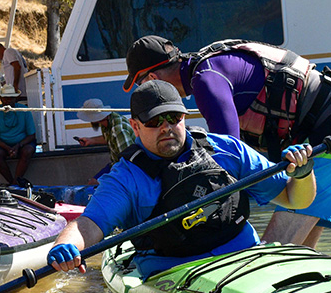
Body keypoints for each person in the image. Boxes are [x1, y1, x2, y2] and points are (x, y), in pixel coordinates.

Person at [121, 36, 331, 249]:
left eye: (142, 83)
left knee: (274, 248)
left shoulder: (206, 80)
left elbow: (227, 155)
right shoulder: (209, 66)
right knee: (299, 250)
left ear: (153, 77)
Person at [47, 80, 315, 279]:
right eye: (154, 121)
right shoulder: (125, 177)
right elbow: (90, 224)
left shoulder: (227, 150)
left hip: (244, 258)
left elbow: (295, 199)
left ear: (184, 117)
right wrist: (66, 245)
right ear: (135, 127)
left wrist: (303, 174)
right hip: (172, 272)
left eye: (173, 118)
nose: (166, 127)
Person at [75, 97, 136, 182]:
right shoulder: (108, 122)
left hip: (126, 169)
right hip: (116, 165)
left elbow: (128, 159)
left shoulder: (118, 129)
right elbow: (111, 138)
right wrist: (90, 140)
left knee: (96, 184)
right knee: (93, 182)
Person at [0, 84, 37, 186]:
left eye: (10, 98)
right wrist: (8, 149)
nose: (8, 101)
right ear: (1, 99)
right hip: (3, 144)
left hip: (22, 143)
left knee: (28, 150)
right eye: (5, 98)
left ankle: (15, 182)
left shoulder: (24, 110)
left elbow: (31, 135)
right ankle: (12, 182)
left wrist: (17, 146)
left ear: (15, 99)